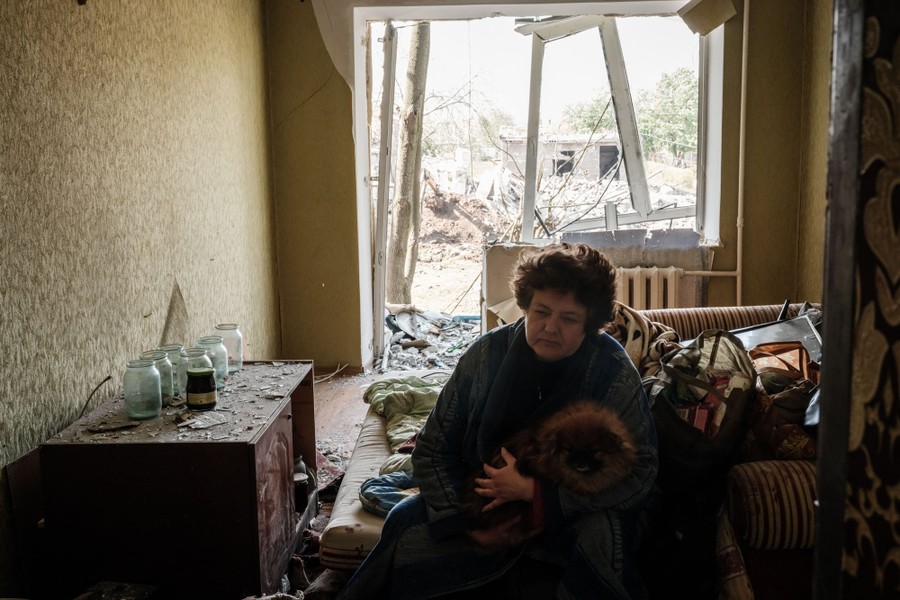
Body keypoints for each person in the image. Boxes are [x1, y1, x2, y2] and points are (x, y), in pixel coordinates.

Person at [336, 242, 658, 600]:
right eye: (541, 312)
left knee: (605, 538)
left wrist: (539, 496)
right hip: (482, 503)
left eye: (568, 319)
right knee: (404, 520)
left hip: (575, 511)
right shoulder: (486, 355)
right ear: (525, 305)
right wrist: (466, 522)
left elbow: (642, 472)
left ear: (590, 323)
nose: (551, 327)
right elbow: (432, 449)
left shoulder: (613, 371)